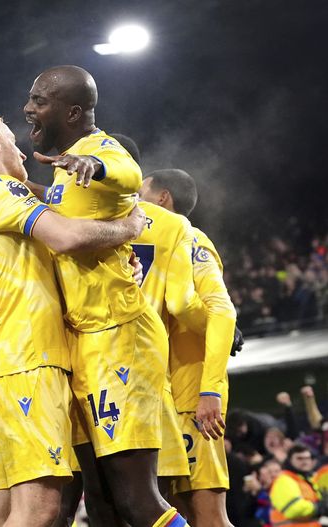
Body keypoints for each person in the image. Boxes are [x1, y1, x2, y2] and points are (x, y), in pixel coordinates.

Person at [0, 110, 145, 526]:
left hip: (6, 366)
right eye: (11, 140)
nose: (22, 151)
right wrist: (130, 228)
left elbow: (53, 207)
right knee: (39, 509)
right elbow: (67, 236)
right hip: (28, 362)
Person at [22, 65, 185, 527]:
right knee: (101, 501)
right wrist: (21, 188)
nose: (28, 109)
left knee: (137, 500)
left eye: (39, 100)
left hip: (120, 336)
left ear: (73, 112)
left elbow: (128, 174)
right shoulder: (64, 167)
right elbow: (67, 208)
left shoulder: (99, 150)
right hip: (85, 341)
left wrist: (97, 167)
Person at [139, 168, 239, 526]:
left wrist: (209, 390)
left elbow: (219, 310)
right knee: (172, 510)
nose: (134, 201)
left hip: (191, 397)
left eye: (141, 193)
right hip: (160, 394)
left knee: (207, 515)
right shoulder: (144, 239)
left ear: (163, 198)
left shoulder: (192, 239)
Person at [269, 444, 327, 526]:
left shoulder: (307, 480)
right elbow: (293, 509)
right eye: (299, 458)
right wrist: (318, 507)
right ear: (290, 460)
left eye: (307, 458)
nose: (305, 461)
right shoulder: (284, 480)